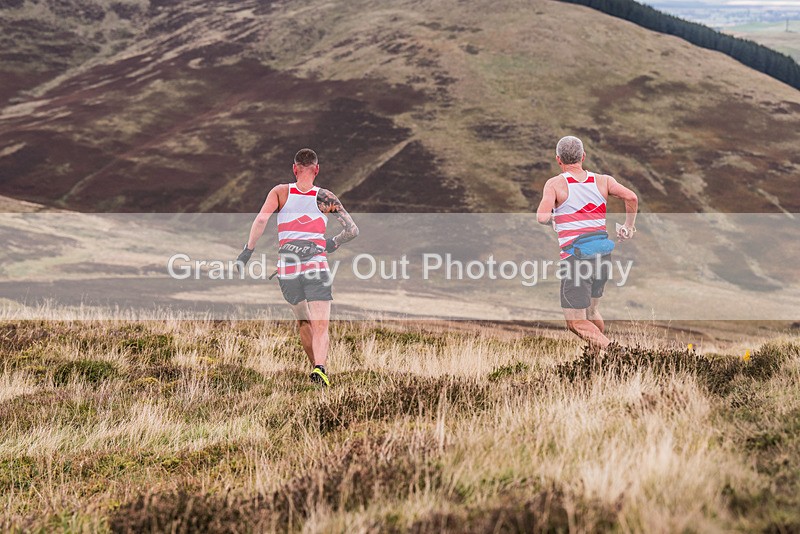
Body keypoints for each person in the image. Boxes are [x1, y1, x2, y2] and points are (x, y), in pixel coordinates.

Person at [236, 148, 359, 386]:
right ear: (317, 169)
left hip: (288, 270)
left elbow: (261, 219)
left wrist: (247, 251)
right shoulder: (325, 197)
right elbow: (353, 230)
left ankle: (317, 370)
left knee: (304, 321)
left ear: (295, 169)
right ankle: (320, 369)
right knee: (321, 324)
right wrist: (333, 242)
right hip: (316, 267)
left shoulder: (280, 192)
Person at [536, 136, 638, 349]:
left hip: (577, 258)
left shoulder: (555, 184)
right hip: (602, 255)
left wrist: (555, 219)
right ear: (583, 157)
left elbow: (542, 217)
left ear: (558, 160)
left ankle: (615, 352)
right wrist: (628, 227)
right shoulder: (603, 181)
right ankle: (595, 360)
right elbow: (631, 197)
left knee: (575, 321)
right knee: (591, 313)